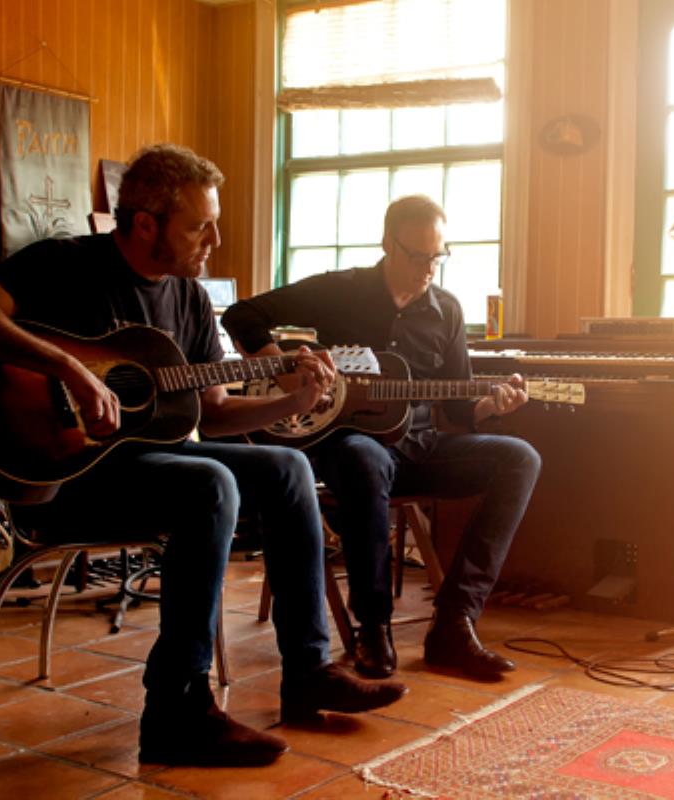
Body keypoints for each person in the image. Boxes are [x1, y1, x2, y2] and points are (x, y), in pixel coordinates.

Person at [0, 144, 406, 768]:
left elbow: (214, 413)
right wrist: (68, 369)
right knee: (209, 483)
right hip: (65, 478)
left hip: (155, 469)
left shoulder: (189, 298)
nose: (215, 239)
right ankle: (177, 710)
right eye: (199, 225)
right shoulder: (62, 264)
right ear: (146, 223)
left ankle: (309, 672)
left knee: (287, 468)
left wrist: (291, 400)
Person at [223, 195, 541, 681]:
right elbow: (242, 314)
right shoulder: (340, 290)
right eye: (418, 256)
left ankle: (455, 622)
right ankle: (373, 627)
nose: (428, 268)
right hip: (350, 452)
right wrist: (285, 368)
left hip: (421, 449)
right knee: (362, 457)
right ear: (388, 244)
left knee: (521, 459)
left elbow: (459, 409)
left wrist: (491, 406)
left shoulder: (446, 310)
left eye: (438, 256)